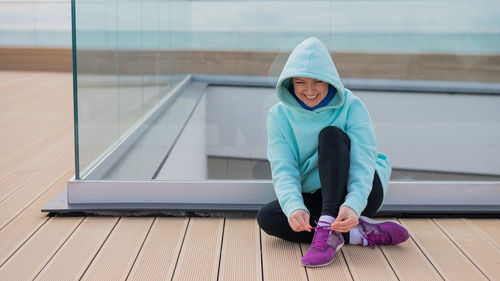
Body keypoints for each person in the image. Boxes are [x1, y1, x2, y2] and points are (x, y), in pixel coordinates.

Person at [257, 37, 409, 267]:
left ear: (329, 81)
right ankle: (354, 233)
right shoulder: (278, 116)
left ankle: (328, 225)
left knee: (330, 135)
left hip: (360, 190)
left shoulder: (352, 106)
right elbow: (283, 167)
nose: (309, 91)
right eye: (300, 83)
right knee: (269, 217)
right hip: (317, 193)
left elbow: (363, 161)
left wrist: (353, 205)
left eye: (317, 81)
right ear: (290, 84)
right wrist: (294, 207)